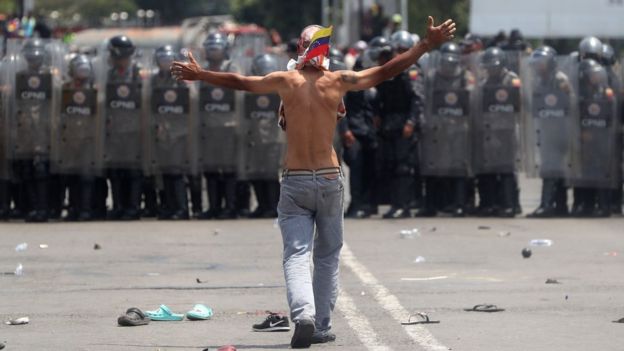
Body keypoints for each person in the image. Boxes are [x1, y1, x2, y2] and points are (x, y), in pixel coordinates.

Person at [172, 16, 455, 348]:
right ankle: (320, 325)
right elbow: (385, 71)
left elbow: (241, 82)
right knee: (327, 256)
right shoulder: (337, 81)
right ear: (326, 50)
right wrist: (425, 45)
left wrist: (201, 74)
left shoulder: (284, 81)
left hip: (295, 180)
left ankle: (303, 315)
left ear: (300, 50)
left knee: (296, 254)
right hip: (329, 178)